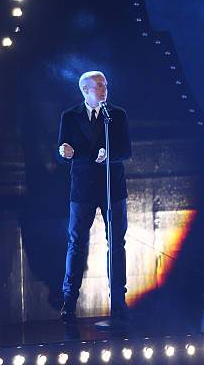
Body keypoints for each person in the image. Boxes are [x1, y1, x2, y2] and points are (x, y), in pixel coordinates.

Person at [58, 70, 132, 322]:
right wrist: (64, 152)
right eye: (98, 86)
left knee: (117, 243)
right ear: (85, 90)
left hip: (113, 188)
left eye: (105, 85)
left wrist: (108, 155)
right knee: (76, 243)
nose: (103, 89)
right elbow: (64, 148)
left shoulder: (116, 115)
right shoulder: (70, 116)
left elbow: (125, 150)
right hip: (83, 189)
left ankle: (119, 301)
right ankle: (69, 300)